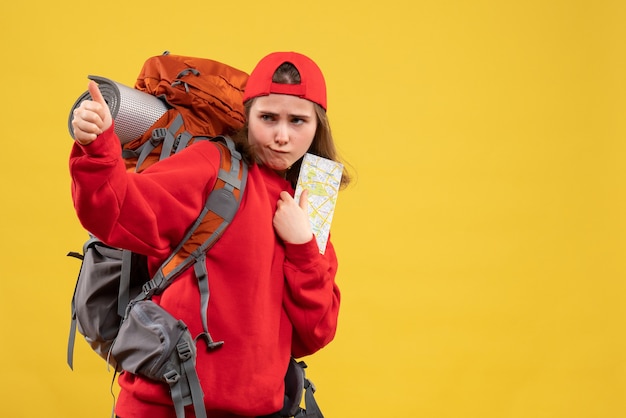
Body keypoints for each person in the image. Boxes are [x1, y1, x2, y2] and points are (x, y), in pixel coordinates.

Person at [69, 51, 350, 418]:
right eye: (268, 118)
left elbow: (316, 333)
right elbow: (117, 212)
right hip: (163, 409)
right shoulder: (213, 165)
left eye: (298, 121)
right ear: (247, 117)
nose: (282, 136)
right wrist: (98, 148)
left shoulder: (310, 198)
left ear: (317, 128)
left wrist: (302, 247)